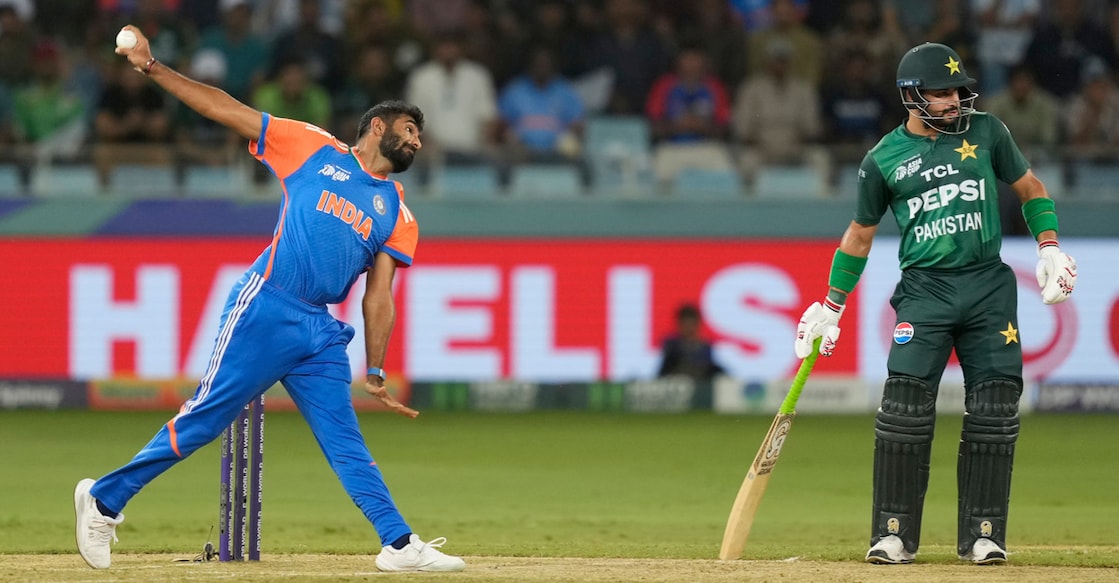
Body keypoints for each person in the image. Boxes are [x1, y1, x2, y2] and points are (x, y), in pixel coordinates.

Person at [73, 25, 465, 573]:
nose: (417, 141)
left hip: (319, 330)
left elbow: (380, 298)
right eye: (408, 129)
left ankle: (397, 544)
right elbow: (226, 109)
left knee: (343, 438)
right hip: (266, 305)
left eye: (421, 136)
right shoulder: (313, 146)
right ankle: (103, 500)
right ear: (377, 127)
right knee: (206, 419)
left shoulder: (398, 213)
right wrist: (151, 66)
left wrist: (375, 367)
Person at [792, 43, 1077, 566]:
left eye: (957, 90)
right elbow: (859, 235)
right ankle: (893, 534)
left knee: (994, 411)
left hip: (989, 286)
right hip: (924, 291)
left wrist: (1050, 245)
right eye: (942, 92)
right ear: (911, 96)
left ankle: (985, 534)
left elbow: (1030, 186)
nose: (954, 100)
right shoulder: (882, 159)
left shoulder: (988, 131)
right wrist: (831, 305)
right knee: (903, 411)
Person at [656, 303, 724, 382]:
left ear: (697, 323)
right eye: (685, 323)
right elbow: (664, 372)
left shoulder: (705, 347)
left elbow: (711, 370)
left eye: (691, 323)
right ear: (679, 324)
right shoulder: (672, 346)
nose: (688, 328)